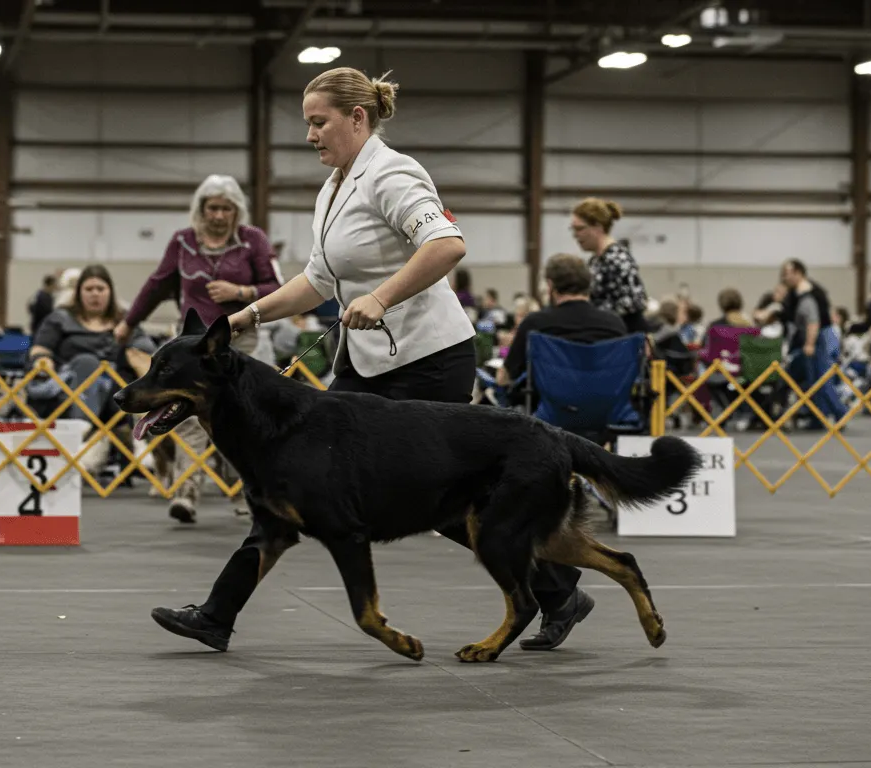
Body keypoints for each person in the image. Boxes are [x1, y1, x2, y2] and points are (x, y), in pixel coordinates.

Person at [150, 66, 592, 654]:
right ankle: (217, 615)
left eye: (318, 122)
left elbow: (447, 245)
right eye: (307, 123)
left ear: (357, 118)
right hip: (365, 363)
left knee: (439, 503)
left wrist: (381, 296)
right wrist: (246, 317)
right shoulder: (334, 187)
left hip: (428, 358)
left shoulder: (394, 173)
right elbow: (316, 280)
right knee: (291, 488)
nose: (310, 135)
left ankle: (558, 588)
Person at [116, 174, 281, 521]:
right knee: (187, 417)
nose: (219, 215)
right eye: (212, 208)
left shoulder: (253, 240)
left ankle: (243, 495)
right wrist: (129, 322)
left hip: (240, 339)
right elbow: (156, 285)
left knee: (241, 417)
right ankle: (186, 495)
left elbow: (275, 287)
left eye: (226, 208)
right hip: (190, 345)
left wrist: (241, 293)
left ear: (237, 210)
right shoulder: (183, 242)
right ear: (200, 209)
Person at [30, 265, 155, 468]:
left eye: (100, 289)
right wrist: (43, 361)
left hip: (117, 390)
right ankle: (109, 435)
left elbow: (147, 349)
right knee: (88, 362)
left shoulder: (124, 321)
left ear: (110, 292)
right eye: (89, 289)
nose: (95, 294)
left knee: (128, 365)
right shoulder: (60, 318)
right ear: (78, 293)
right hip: (69, 392)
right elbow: (39, 349)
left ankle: (122, 439)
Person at [497, 254, 626, 406]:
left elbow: (505, 377)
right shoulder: (615, 324)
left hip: (550, 417)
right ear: (588, 285)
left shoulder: (535, 323)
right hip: (605, 413)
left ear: (550, 286)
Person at [779, 259, 845, 430]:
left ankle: (840, 414)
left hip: (819, 337)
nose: (785, 277)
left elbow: (813, 322)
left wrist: (810, 343)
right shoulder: (795, 294)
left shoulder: (811, 294)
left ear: (798, 273)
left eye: (788, 273)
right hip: (810, 337)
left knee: (822, 379)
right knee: (811, 380)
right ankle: (818, 418)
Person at [570, 198, 649, 333]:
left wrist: (593, 315)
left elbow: (634, 303)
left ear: (598, 227)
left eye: (580, 229)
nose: (575, 235)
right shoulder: (596, 260)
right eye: (573, 229)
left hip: (624, 338)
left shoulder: (617, 258)